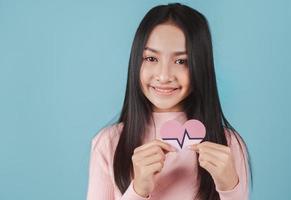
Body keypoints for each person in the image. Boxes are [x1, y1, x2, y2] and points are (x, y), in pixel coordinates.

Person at [86, 3, 251, 200]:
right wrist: (138, 190)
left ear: (200, 67)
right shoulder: (108, 143)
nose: (164, 76)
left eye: (181, 61)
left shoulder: (228, 145)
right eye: (151, 58)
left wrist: (230, 187)